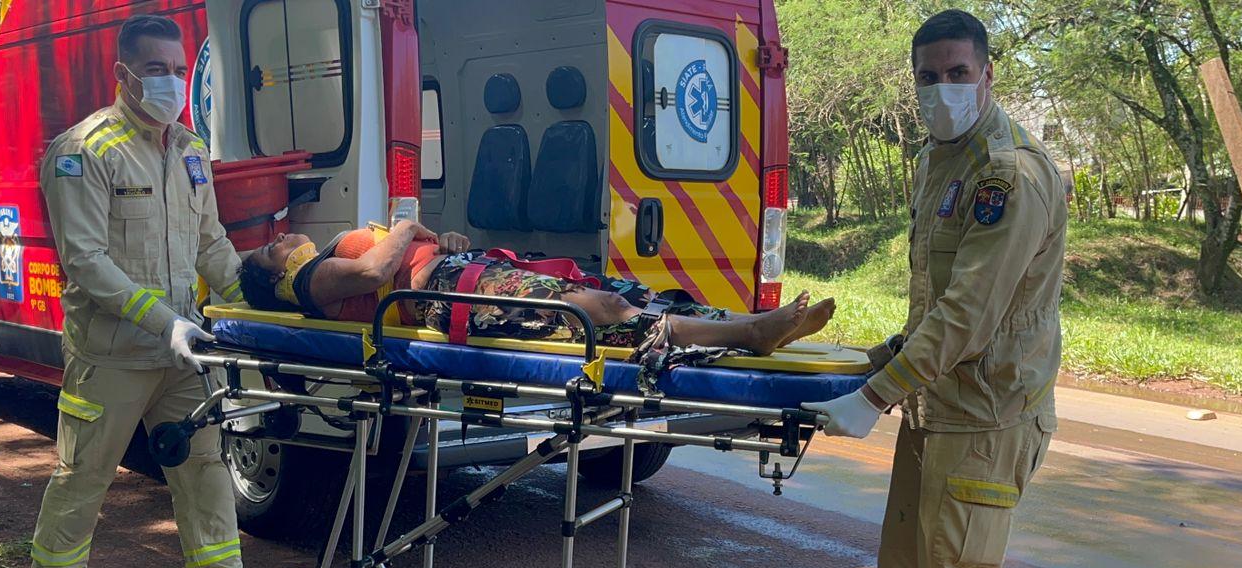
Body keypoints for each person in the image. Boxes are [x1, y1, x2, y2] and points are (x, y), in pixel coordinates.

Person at [805, 9, 1086, 568]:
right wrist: (888, 360)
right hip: (940, 400)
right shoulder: (942, 158)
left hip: (990, 411)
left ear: (989, 73)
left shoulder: (1009, 172)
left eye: (958, 74)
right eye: (928, 78)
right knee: (906, 567)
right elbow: (936, 300)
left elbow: (972, 311)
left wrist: (878, 395)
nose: (942, 90)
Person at [26, 14, 291, 568]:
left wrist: (252, 307)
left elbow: (211, 246)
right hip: (112, 353)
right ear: (122, 75)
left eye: (178, 70)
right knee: (85, 471)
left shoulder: (191, 151)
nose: (170, 83)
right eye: (155, 71)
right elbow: (86, 262)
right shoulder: (84, 152)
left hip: (181, 352)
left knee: (205, 472)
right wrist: (165, 321)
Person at [236, 223, 836, 362]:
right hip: (452, 294)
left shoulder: (334, 251)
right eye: (270, 248)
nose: (282, 235)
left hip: (460, 274)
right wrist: (405, 224)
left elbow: (400, 257)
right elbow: (374, 276)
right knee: (599, 312)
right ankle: (750, 334)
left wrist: (437, 238)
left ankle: (750, 321)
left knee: (626, 293)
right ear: (277, 277)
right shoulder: (312, 280)